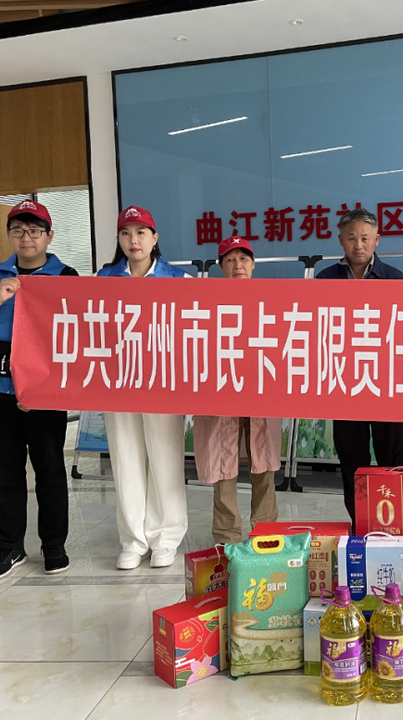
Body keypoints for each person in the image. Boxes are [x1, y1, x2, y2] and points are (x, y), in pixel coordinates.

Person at [0, 199, 77, 580]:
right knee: (5, 474)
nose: (27, 237)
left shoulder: (66, 276)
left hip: (43, 393)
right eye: (18, 230)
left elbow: (76, 338)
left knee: (50, 470)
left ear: (49, 236)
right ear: (9, 235)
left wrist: (38, 388)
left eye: (35, 230)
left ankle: (54, 545)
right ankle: (10, 548)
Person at [98, 205, 189, 569]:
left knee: (165, 457)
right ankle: (133, 540)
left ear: (155, 238)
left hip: (163, 382)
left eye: (140, 233)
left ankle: (166, 538)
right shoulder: (103, 279)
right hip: (117, 382)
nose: (132, 240)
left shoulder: (178, 279)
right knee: (125, 457)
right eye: (125, 233)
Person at [315, 208, 403, 530]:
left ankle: (395, 522)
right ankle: (361, 522)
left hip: (386, 383)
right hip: (345, 383)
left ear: (377, 240)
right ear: (341, 240)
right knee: (352, 459)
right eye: (352, 238)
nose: (359, 245)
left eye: (365, 238)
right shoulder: (324, 280)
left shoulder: (395, 279)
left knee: (392, 458)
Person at [193, 237, 280, 543]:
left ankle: (265, 532)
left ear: (253, 265)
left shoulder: (272, 301)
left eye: (243, 259)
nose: (238, 265)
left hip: (260, 392)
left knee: (264, 463)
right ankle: (226, 535)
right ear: (221, 267)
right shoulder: (207, 303)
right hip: (222, 392)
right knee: (223, 465)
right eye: (230, 260)